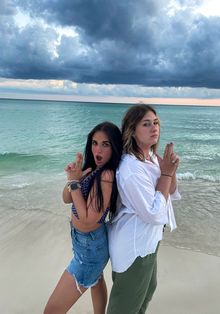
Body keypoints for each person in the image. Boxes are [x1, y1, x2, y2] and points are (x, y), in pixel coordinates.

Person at [107, 104, 181, 314]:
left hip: (149, 241)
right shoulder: (131, 168)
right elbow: (154, 213)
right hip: (135, 246)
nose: (154, 128)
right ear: (132, 130)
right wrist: (166, 174)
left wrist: (170, 169)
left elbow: (170, 192)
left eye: (156, 123)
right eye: (146, 124)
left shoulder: (150, 158)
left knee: (147, 292)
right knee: (124, 306)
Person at [44, 121, 122, 314]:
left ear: (114, 147)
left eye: (106, 144)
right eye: (95, 143)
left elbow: (88, 219)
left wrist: (73, 183)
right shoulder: (92, 169)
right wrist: (73, 178)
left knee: (51, 311)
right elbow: (66, 198)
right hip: (86, 243)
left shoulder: (106, 175)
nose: (98, 149)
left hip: (90, 250)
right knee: (96, 281)